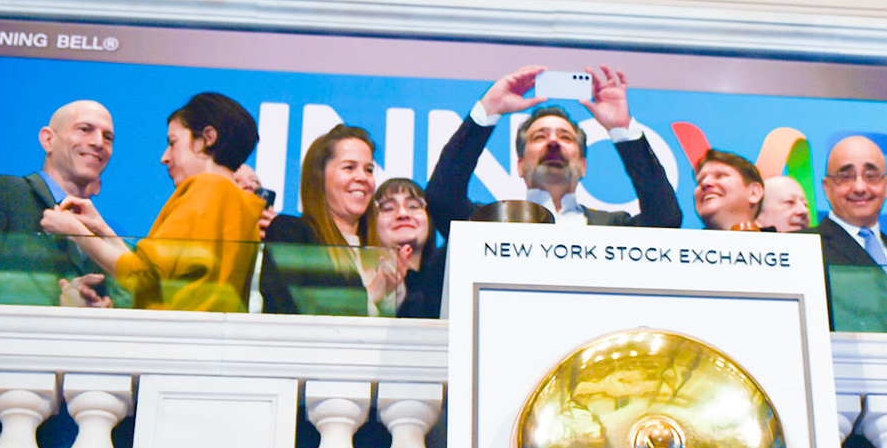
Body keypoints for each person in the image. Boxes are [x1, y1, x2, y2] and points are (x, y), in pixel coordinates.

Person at [41, 92, 266, 311]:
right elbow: (161, 275)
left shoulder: (207, 187)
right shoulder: (243, 206)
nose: (164, 157)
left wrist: (75, 232)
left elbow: (142, 276)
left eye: (173, 143)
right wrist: (101, 229)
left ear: (206, 139)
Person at [425, 64, 681, 228]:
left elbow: (665, 219)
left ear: (583, 166)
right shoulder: (492, 222)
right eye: (540, 137)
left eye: (565, 137)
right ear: (520, 165)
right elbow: (441, 199)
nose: (554, 142)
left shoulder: (613, 227)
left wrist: (622, 130)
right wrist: (488, 110)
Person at [0, 99, 118, 306]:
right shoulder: (0, 192)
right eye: (85, 129)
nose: (98, 143)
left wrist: (106, 308)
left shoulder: (103, 237)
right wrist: (59, 300)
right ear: (48, 139)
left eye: (108, 137)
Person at [258, 123, 391, 315]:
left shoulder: (382, 252)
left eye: (369, 169)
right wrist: (370, 295)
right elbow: (287, 309)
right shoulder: (291, 233)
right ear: (319, 177)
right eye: (349, 167)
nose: (363, 177)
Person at [811, 135, 887, 331]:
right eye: (846, 177)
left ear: (886, 185)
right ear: (827, 187)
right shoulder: (803, 248)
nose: (860, 187)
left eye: (871, 176)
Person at [365, 176, 446, 319]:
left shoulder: (447, 276)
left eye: (413, 206)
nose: (402, 214)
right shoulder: (358, 278)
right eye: (388, 208)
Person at [694, 149, 765, 231]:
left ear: (754, 193)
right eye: (700, 181)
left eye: (720, 175)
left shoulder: (776, 239)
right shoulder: (684, 239)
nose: (705, 182)